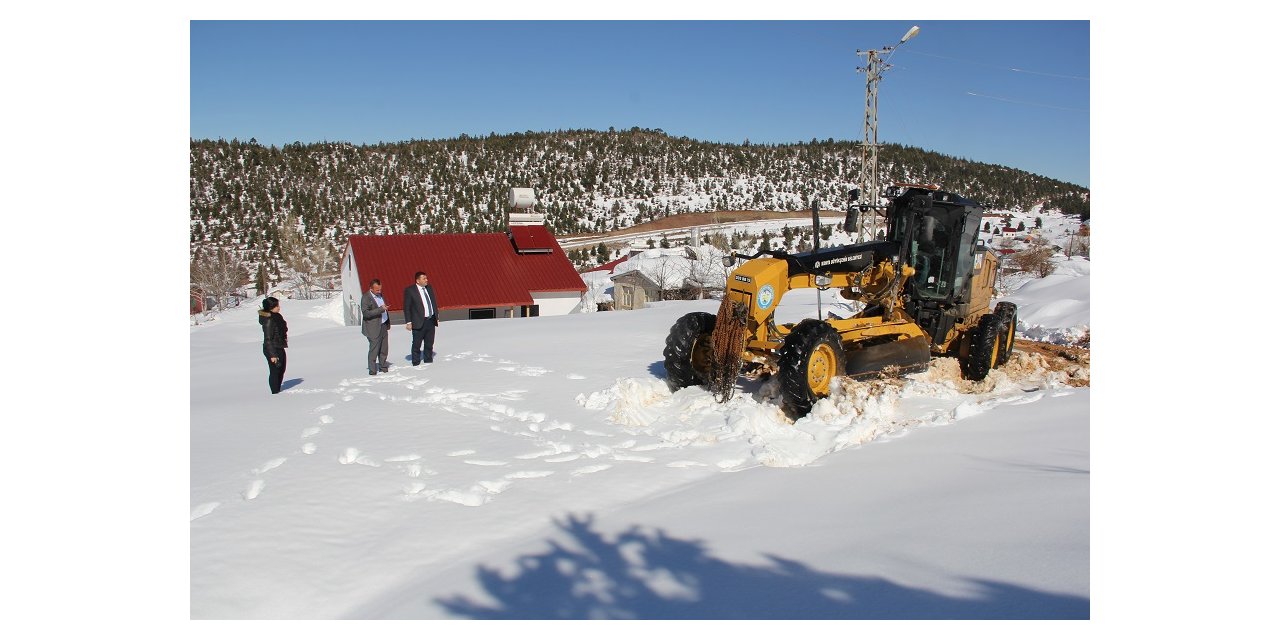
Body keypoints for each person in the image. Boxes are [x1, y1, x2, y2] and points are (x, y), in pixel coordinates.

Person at [403, 271, 439, 365]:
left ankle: (428, 361)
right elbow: (407, 307)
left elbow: (433, 302)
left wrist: (436, 315)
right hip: (418, 321)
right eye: (424, 278)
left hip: (430, 320)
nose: (426, 280)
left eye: (426, 278)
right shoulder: (410, 290)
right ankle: (415, 362)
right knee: (416, 344)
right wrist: (408, 322)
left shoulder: (429, 288)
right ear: (418, 280)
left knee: (429, 343)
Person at [361, 279, 391, 375]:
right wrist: (380, 310)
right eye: (377, 290)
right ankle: (372, 370)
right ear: (371, 288)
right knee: (374, 350)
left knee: (384, 349)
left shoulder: (380, 295)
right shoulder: (366, 298)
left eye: (380, 289)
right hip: (372, 328)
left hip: (383, 325)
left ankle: (383, 367)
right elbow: (366, 313)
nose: (379, 292)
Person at [258, 296, 288, 394]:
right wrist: (273, 355)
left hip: (279, 346)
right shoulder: (269, 320)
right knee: (275, 371)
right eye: (277, 306)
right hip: (271, 348)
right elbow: (268, 338)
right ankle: (275, 393)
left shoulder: (277, 317)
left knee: (282, 369)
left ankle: (278, 390)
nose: (279, 307)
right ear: (271, 307)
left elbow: (281, 330)